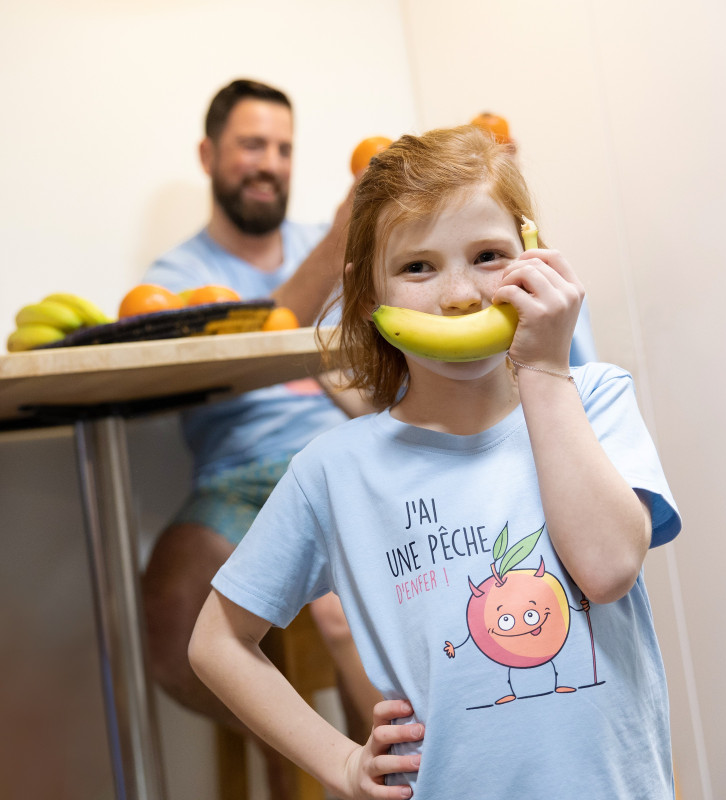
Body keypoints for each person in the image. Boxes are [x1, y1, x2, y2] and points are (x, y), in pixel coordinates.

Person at [187, 124, 682, 799]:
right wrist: (339, 762)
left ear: (534, 257)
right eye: (419, 266)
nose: (459, 295)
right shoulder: (336, 471)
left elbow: (606, 568)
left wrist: (542, 368)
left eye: (488, 255)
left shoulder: (592, 398)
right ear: (369, 297)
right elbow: (216, 641)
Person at [139, 79, 382, 791]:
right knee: (172, 621)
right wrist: (338, 244)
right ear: (209, 154)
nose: (269, 162)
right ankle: (304, 754)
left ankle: (402, 782)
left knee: (343, 615)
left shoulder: (339, 245)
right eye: (251, 144)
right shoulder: (177, 277)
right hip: (237, 480)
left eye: (283, 148)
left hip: (341, 458)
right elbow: (266, 336)